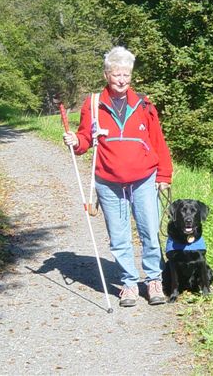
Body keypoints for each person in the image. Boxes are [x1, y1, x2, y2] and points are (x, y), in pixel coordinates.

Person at [63, 46, 173, 307]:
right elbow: (84, 140)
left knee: (149, 231)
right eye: (116, 75)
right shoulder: (92, 104)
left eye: (126, 75)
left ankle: (154, 281)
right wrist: (74, 142)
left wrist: (164, 174)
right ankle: (129, 284)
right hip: (108, 181)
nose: (122, 80)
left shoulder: (144, 104)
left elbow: (158, 141)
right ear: (106, 75)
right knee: (119, 235)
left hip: (144, 178)